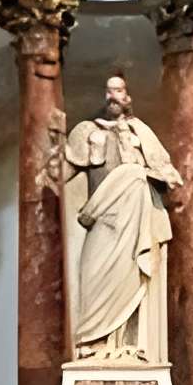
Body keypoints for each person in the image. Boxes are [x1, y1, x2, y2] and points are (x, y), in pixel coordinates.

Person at [63, 74, 185, 362]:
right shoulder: (85, 132)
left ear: (127, 97)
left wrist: (142, 174)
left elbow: (169, 174)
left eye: (118, 91)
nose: (112, 96)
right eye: (107, 91)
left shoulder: (141, 133)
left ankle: (130, 344)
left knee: (136, 278)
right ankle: (94, 345)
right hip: (103, 220)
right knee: (95, 274)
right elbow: (59, 174)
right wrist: (50, 150)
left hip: (136, 220)